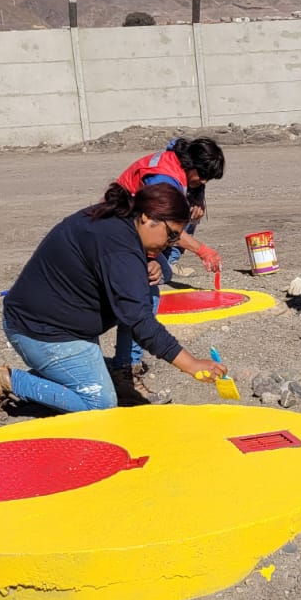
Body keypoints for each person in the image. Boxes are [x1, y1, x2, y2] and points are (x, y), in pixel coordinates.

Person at [0, 179, 226, 422]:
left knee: (146, 291)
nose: (171, 243)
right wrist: (190, 364)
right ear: (148, 218)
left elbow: (143, 274)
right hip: (40, 331)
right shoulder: (117, 245)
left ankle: (117, 373)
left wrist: (152, 263)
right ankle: (4, 380)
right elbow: (138, 320)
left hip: (64, 325)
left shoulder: (124, 222)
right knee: (98, 402)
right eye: (171, 235)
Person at [110, 137, 225, 403]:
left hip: (134, 232)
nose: (204, 183)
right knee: (146, 296)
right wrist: (202, 249)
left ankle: (164, 261)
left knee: (163, 274)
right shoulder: (163, 180)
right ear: (191, 165)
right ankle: (126, 370)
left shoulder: (177, 157)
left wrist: (198, 194)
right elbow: (163, 226)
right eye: (202, 177)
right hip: (121, 236)